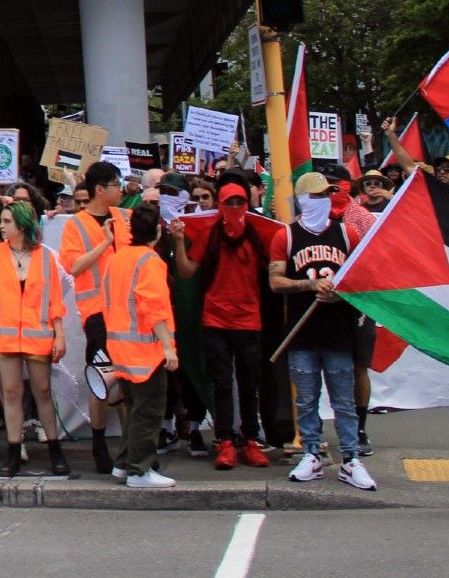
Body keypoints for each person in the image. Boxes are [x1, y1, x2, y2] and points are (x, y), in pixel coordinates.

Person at [270, 171, 376, 491]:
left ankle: (351, 458)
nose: (324, 200)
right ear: (302, 200)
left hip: (338, 331)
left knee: (343, 400)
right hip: (302, 333)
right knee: (306, 399)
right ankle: (312, 453)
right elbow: (276, 282)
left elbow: (361, 278)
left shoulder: (347, 235)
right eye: (317, 196)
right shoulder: (285, 237)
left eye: (327, 195)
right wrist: (309, 284)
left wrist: (339, 292)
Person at [170, 181, 271, 470]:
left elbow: (276, 262)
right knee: (222, 384)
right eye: (230, 203)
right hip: (215, 320)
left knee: (249, 384)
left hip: (248, 320)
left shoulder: (255, 234)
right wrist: (178, 241)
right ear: (221, 206)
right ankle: (225, 441)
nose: (236, 208)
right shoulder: (211, 234)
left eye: (240, 202)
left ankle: (250, 440)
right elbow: (188, 270)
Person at [0, 201, 68, 478]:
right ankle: (13, 452)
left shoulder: (45, 257)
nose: (1, 226)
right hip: (4, 335)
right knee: (11, 392)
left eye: (6, 221)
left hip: (38, 334)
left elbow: (54, 301)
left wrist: (59, 335)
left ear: (22, 225)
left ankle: (55, 450)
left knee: (42, 392)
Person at [61, 159, 132, 474]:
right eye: (115, 184)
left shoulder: (125, 217)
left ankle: (133, 446)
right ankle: (100, 443)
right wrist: (105, 242)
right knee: (102, 379)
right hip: (98, 315)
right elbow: (73, 266)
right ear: (100, 189)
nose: (120, 189)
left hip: (129, 313)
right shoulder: (75, 225)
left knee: (132, 378)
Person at [102, 204, 179, 488]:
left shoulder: (118, 258)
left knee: (135, 408)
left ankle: (124, 464)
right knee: (149, 410)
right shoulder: (150, 261)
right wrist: (167, 347)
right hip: (145, 350)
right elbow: (154, 307)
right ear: (157, 232)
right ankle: (139, 470)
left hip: (121, 347)